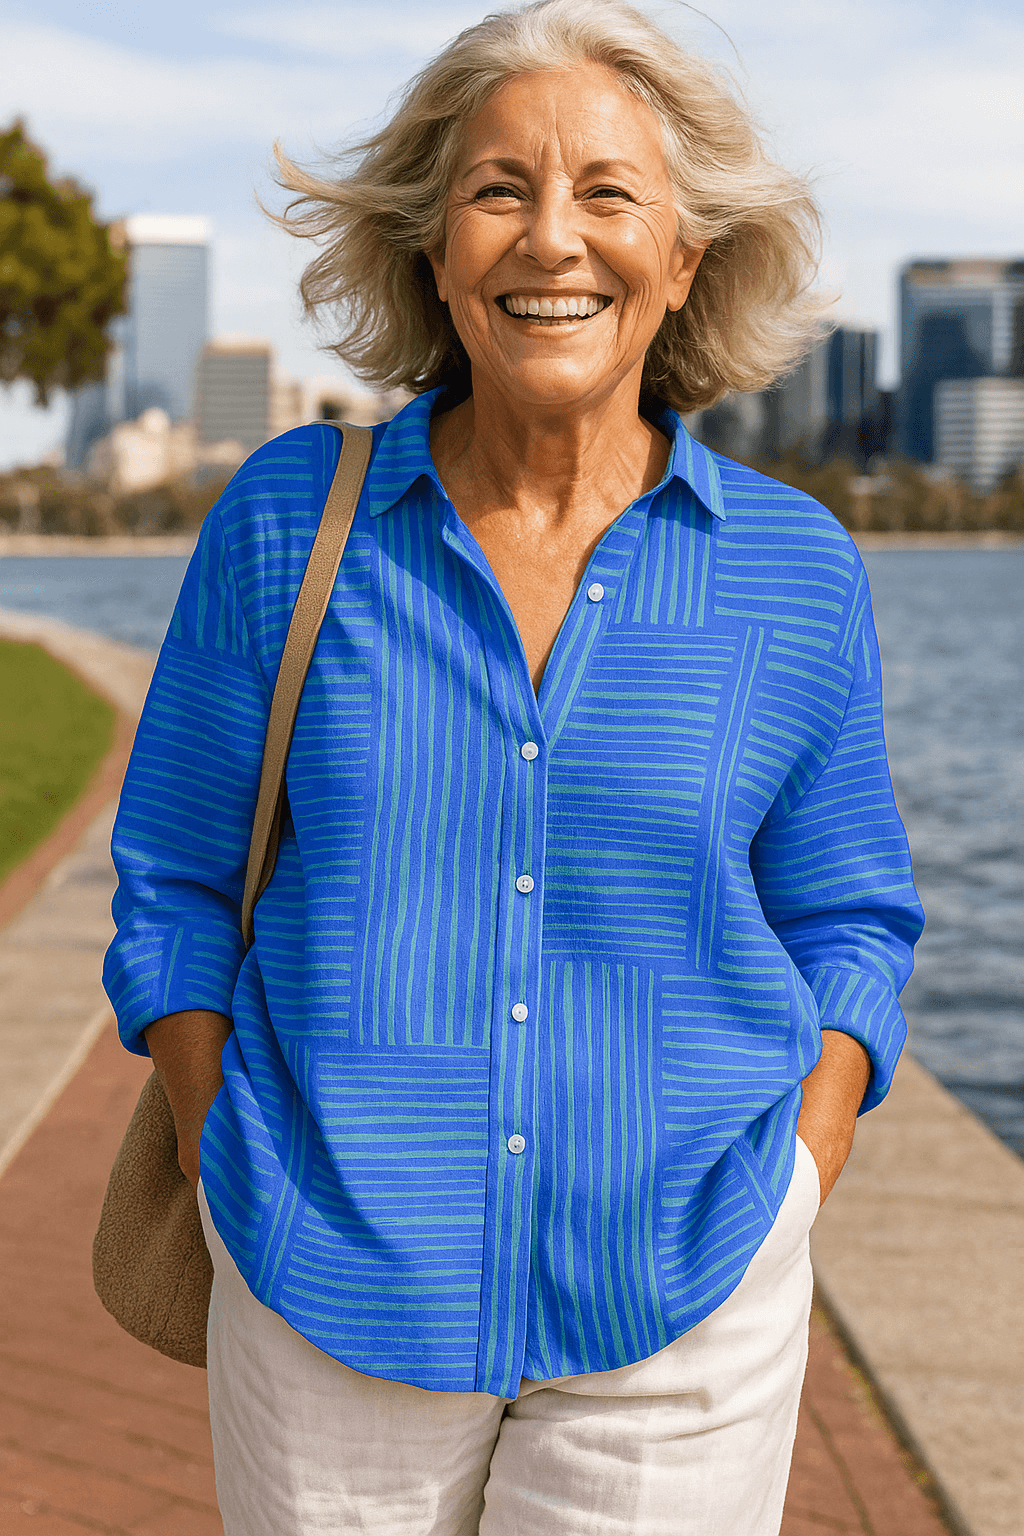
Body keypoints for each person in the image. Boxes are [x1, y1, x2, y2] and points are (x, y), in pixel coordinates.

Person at [103, 3, 924, 1532]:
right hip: (322, 1291)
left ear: (683, 259)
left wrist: (800, 1174)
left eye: (609, 194)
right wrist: (229, 1148)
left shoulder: (797, 574)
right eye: (499, 190)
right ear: (433, 249)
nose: (554, 239)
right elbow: (173, 880)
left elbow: (851, 920)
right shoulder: (290, 521)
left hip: (685, 1313)